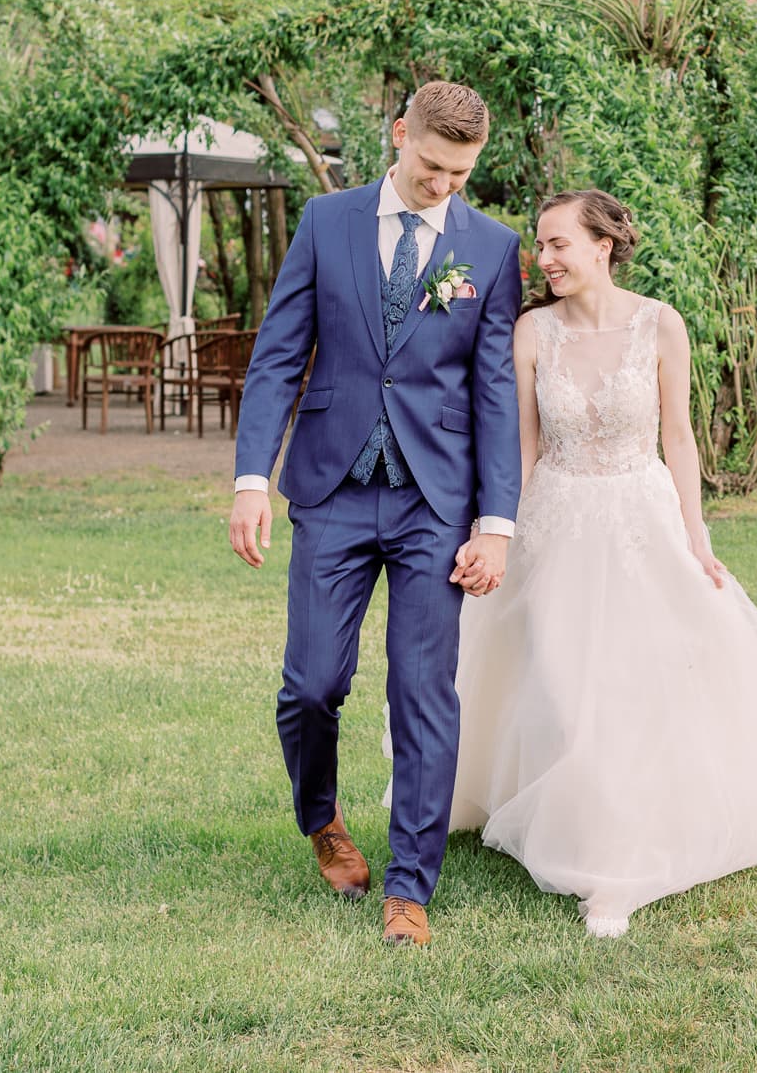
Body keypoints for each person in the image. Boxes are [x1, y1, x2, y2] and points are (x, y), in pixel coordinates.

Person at [450, 189, 757, 938]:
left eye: (559, 244)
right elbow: (522, 446)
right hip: (556, 518)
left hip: (638, 518)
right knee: (558, 686)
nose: (544, 259)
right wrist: (499, 531)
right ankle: (570, 821)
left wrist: (697, 533)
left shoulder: (661, 324)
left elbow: (679, 438)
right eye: (541, 247)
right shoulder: (532, 333)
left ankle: (614, 870)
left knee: (630, 688)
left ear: (603, 245)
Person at [229, 82, 522, 948]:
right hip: (333, 486)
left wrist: (496, 523)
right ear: (399, 135)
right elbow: (278, 355)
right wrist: (253, 476)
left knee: (423, 690)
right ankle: (321, 817)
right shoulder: (326, 222)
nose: (443, 186)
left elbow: (496, 394)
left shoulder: (492, 250)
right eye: (432, 166)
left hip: (438, 499)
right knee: (311, 683)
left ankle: (409, 886)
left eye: (460, 174)